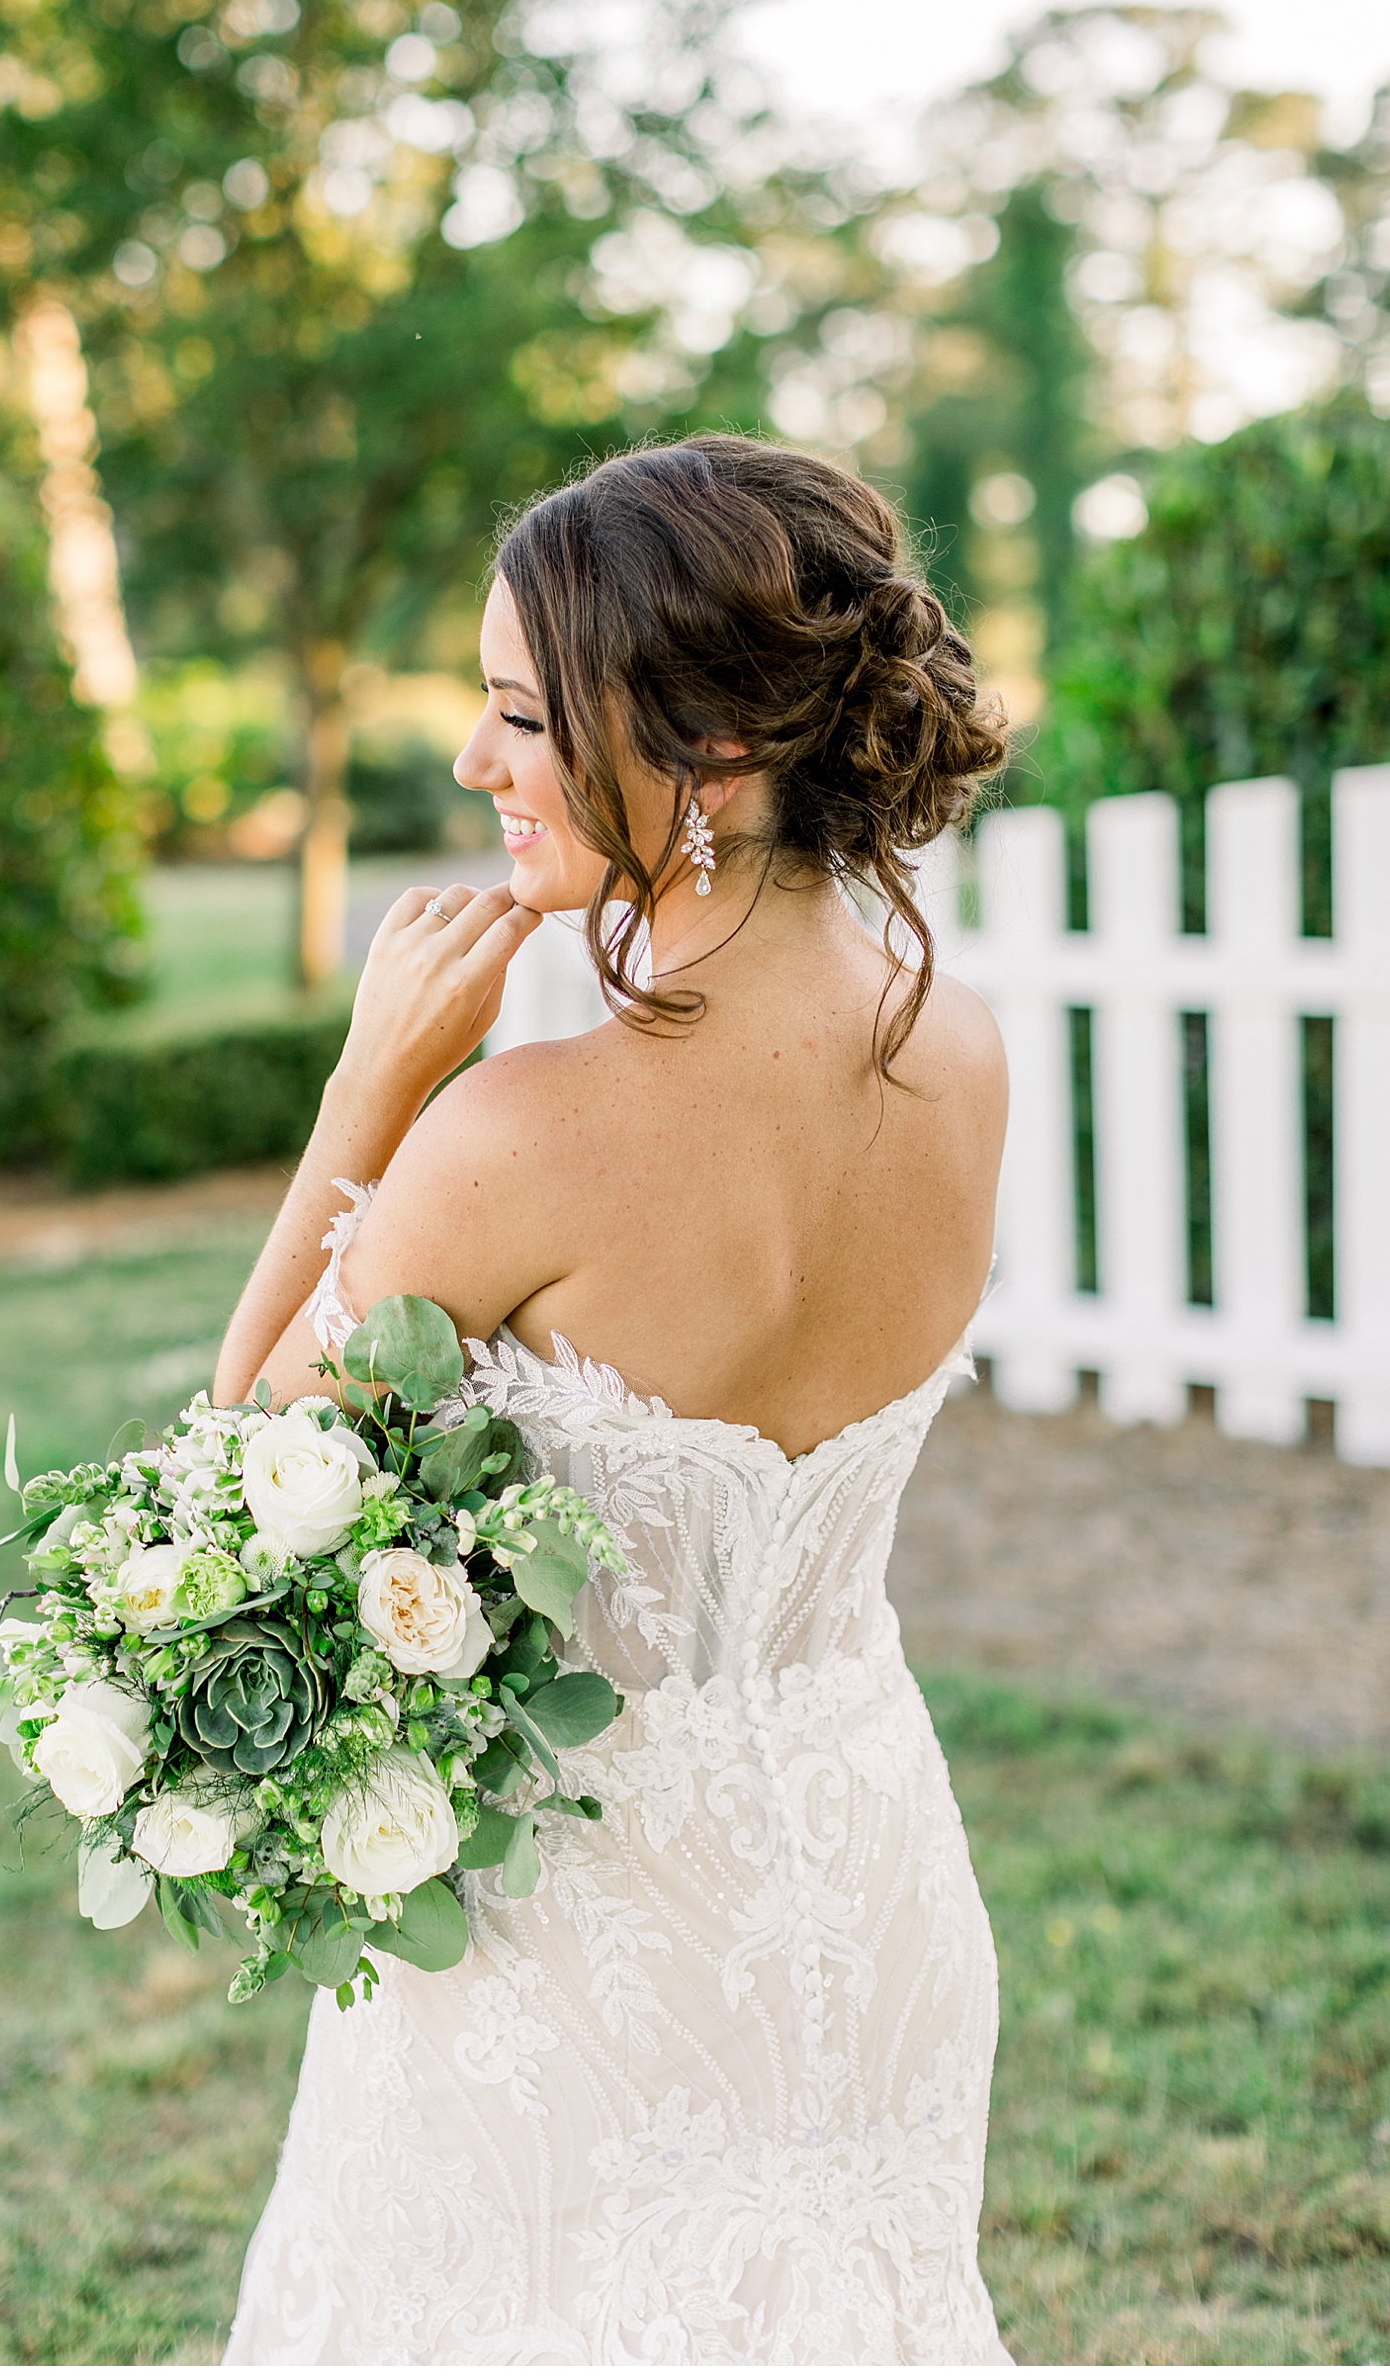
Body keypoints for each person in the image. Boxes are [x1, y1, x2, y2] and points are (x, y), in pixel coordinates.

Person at [217, 434, 1012, 2366]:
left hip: (569, 1948)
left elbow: (238, 1476)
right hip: (868, 1888)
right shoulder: (965, 1056)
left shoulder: (522, 1134)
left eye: (519, 714)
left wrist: (365, 1096)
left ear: (708, 751)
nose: (473, 763)